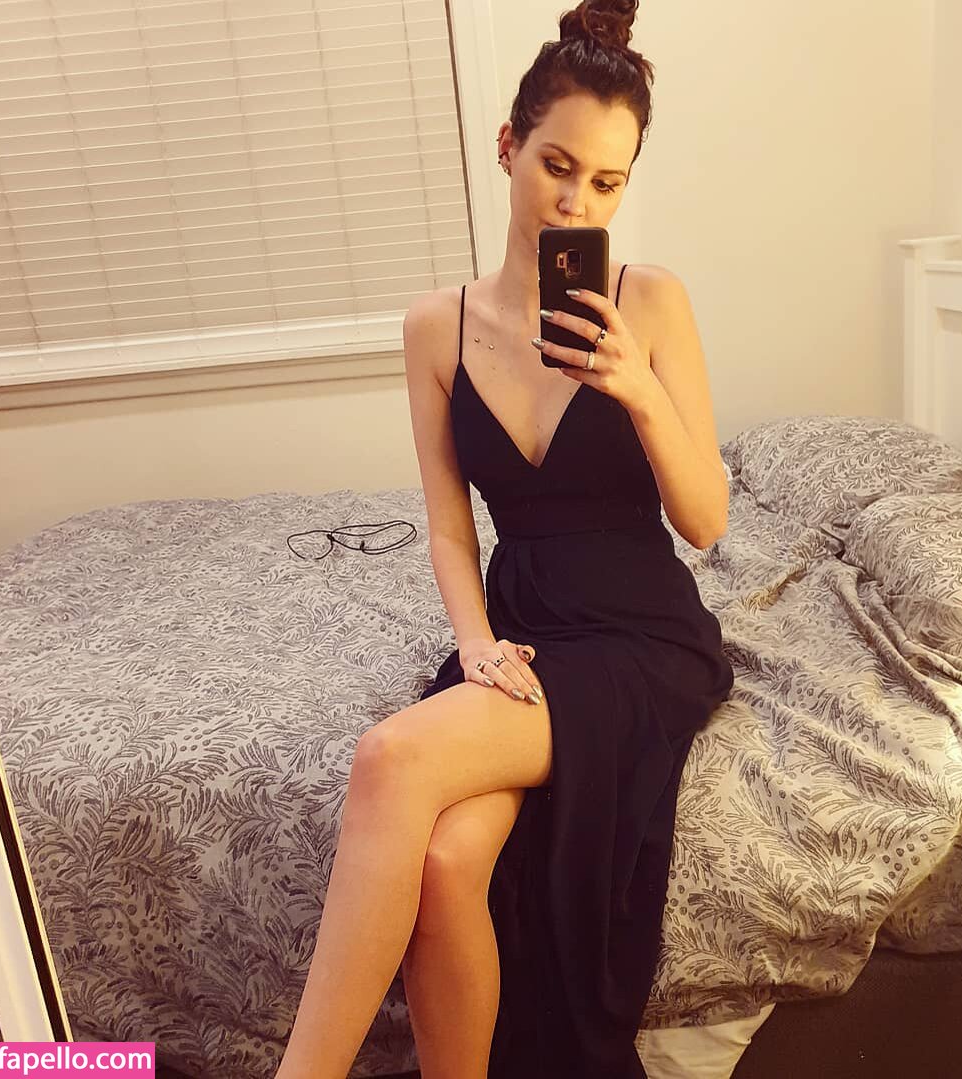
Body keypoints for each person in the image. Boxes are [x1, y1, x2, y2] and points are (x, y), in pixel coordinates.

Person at [274, 0, 734, 1076]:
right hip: (523, 623)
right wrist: (475, 640)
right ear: (507, 147)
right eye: (557, 166)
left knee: (390, 755)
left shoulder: (650, 302)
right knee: (444, 863)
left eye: (607, 183)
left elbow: (706, 520)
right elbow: (447, 520)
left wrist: (636, 388)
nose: (576, 202)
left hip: (639, 637)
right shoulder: (435, 327)